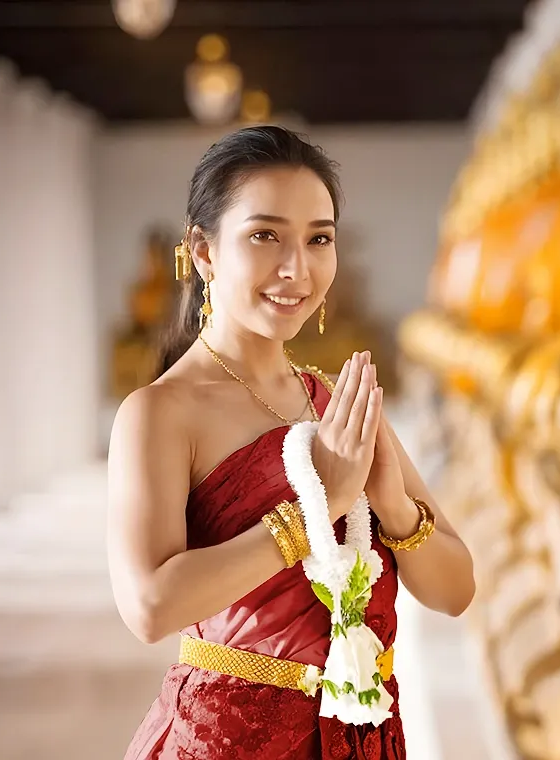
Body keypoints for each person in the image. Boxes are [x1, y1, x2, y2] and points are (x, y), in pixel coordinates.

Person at [107, 125, 476, 759]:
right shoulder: (160, 413)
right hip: (228, 743)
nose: (296, 268)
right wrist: (316, 509)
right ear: (202, 251)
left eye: (319, 239)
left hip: (362, 737)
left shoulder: (339, 402)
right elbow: (148, 606)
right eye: (264, 235)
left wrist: (394, 510)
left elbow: (456, 591)